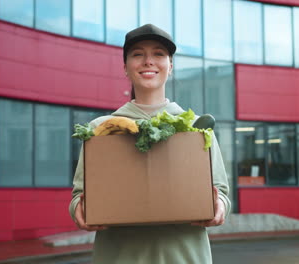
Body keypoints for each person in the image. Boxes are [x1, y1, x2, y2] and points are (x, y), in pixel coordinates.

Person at [69, 24, 231, 264]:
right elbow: (79, 195)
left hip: (185, 257)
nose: (148, 61)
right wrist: (79, 211)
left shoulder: (197, 127)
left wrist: (218, 206)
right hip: (119, 257)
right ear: (125, 67)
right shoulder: (100, 130)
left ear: (170, 66)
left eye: (158, 54)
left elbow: (222, 193)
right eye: (137, 54)